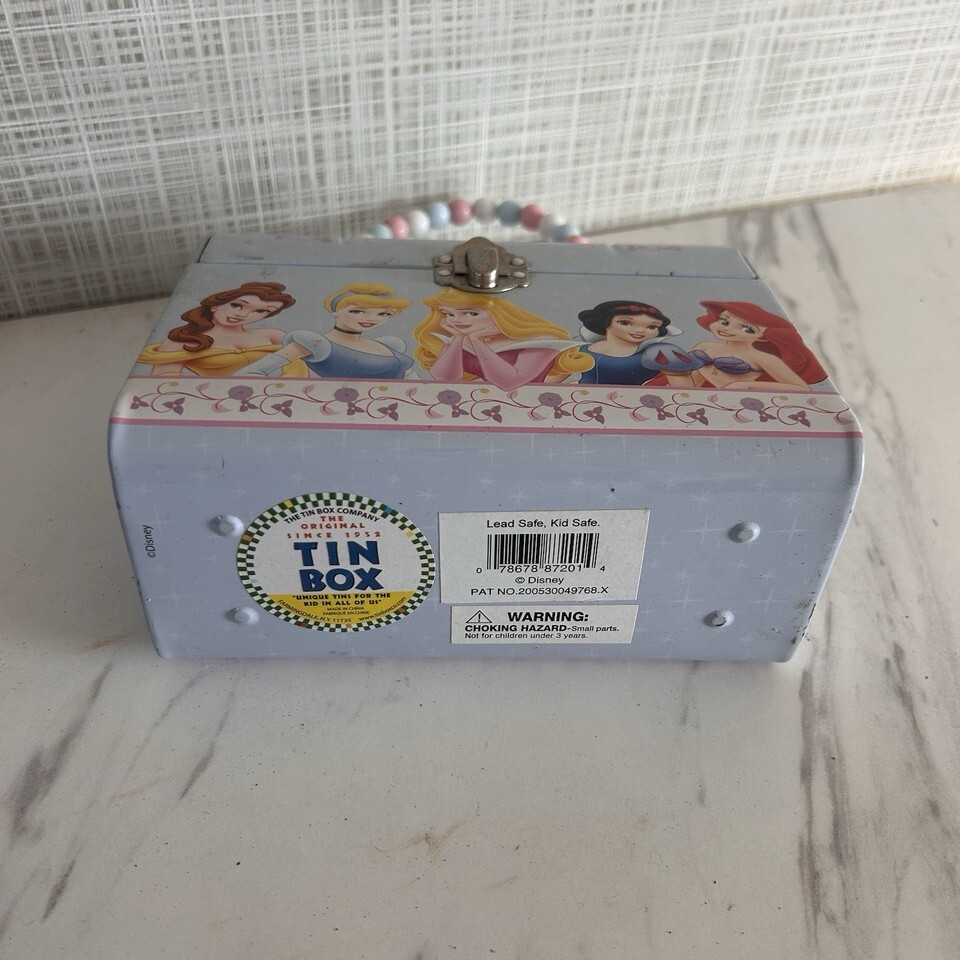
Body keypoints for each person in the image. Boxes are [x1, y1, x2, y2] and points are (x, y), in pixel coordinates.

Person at [414, 287, 593, 390]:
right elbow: (445, 377)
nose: (456, 321)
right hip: (480, 409)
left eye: (471, 313)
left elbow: (509, 382)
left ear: (499, 314)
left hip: (525, 411)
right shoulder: (463, 340)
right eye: (449, 314)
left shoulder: (542, 342)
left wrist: (476, 342)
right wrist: (457, 339)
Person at [236, 282, 414, 379]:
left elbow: (414, 382)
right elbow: (249, 374)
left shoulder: (387, 345)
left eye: (383, 314)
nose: (371, 319)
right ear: (336, 312)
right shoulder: (316, 343)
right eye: (357, 311)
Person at [138, 281, 299, 376]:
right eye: (236, 305)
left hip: (271, 400)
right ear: (215, 304)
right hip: (212, 401)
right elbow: (165, 382)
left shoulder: (273, 336)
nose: (243, 315)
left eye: (261, 311)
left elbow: (297, 366)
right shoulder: (181, 340)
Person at [670, 301, 828, 390]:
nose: (727, 328)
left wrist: (744, 386)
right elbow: (694, 384)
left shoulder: (762, 358)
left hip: (746, 404)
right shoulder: (704, 347)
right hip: (709, 402)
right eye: (724, 321)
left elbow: (802, 389)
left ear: (762, 336)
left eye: (747, 329)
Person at [575, 300, 702, 386]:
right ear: (605, 322)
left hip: (637, 408)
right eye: (625, 323)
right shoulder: (579, 347)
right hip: (583, 405)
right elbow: (562, 376)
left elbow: (683, 391)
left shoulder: (660, 352)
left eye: (652, 327)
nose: (640, 330)